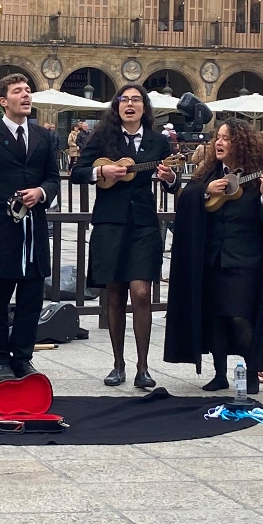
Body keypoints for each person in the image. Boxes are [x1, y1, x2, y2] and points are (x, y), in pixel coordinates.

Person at [71, 84, 179, 388]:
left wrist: (170, 178)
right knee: (115, 293)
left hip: (143, 224)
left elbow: (171, 180)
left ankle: (142, 366)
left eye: (136, 100)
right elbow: (79, 171)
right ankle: (118, 364)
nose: (130, 104)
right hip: (110, 222)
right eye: (124, 99)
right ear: (116, 106)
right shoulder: (103, 138)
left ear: (144, 107)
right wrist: (101, 173)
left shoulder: (158, 142)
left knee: (141, 293)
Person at [165, 118, 263, 398]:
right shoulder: (210, 174)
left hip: (244, 259)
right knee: (216, 316)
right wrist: (206, 191)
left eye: (226, 139)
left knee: (239, 316)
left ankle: (252, 369)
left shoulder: (257, 178)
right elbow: (188, 199)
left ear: (240, 144)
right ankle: (218, 374)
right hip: (212, 258)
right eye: (218, 137)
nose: (219, 143)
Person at [0, 74, 61, 381]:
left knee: (32, 298)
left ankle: (23, 357)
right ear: (3, 101)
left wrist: (41, 193)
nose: (26, 95)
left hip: (33, 231)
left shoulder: (44, 137)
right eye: (18, 91)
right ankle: (0, 358)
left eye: (28, 90)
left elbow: (53, 179)